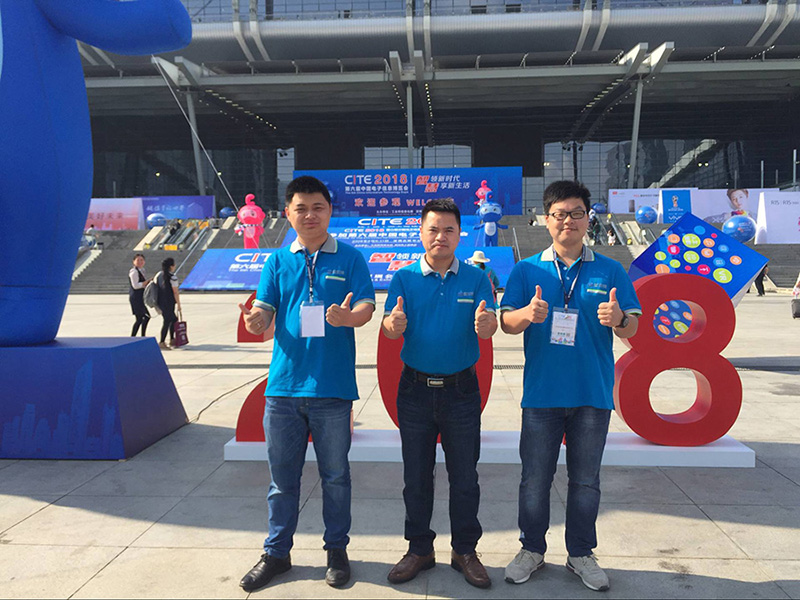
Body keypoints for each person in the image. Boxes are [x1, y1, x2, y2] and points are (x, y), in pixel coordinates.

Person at [499, 181, 641, 592]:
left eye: (577, 213)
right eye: (560, 214)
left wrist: (619, 319)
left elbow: (633, 326)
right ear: (546, 220)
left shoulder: (610, 270)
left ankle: (580, 553)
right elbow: (506, 323)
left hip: (591, 394)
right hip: (542, 395)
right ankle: (531, 549)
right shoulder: (526, 270)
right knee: (534, 480)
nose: (568, 221)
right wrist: (527, 313)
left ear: (588, 219)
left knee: (585, 481)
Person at [239, 176, 375, 592]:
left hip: (332, 389)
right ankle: (276, 553)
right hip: (283, 389)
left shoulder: (350, 258)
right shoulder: (278, 261)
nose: (310, 215)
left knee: (336, 477)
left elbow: (366, 307)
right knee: (282, 481)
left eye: (318, 207)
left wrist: (349, 318)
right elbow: (264, 311)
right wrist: (256, 321)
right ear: (288, 213)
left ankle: (336, 551)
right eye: (301, 208)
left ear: (329, 211)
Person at [383, 199, 498, 589]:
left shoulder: (477, 279)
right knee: (416, 477)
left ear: (460, 234)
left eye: (449, 230)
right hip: (414, 391)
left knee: (464, 477)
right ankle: (419, 549)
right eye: (433, 229)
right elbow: (388, 327)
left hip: (461, 391)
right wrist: (393, 324)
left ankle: (465, 550)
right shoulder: (404, 278)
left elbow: (489, 326)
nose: (440, 237)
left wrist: (486, 324)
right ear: (421, 233)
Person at [156, 257, 181, 350]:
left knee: (173, 319)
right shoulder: (173, 277)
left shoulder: (159, 275)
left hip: (161, 301)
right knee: (168, 321)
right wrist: (179, 304)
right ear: (171, 266)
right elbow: (175, 292)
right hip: (169, 302)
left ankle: (172, 339)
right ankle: (162, 342)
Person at [128, 253, 151, 336]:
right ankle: (133, 336)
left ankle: (142, 335)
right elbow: (135, 286)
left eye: (142, 260)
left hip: (140, 297)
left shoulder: (142, 270)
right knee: (140, 318)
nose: (140, 262)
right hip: (135, 298)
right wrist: (146, 282)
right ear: (134, 261)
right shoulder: (134, 272)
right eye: (138, 260)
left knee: (145, 317)